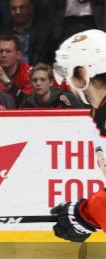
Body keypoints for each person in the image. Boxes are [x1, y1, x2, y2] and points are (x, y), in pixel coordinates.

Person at [50, 29, 106, 242]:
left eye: (69, 77)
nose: (69, 86)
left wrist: (87, 214)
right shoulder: (100, 110)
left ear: (83, 74)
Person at [0, 34, 33, 107]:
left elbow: (29, 104)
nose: (3, 55)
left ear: (18, 55)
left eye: (8, 51)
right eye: (0, 51)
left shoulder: (29, 74)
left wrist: (8, 84)